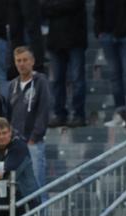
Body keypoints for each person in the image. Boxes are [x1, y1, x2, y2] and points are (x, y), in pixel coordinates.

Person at [7, 47, 51, 192]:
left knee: (37, 185)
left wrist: (34, 137)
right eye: (18, 61)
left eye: (25, 60)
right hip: (15, 143)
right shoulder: (12, 85)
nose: (21, 64)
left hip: (33, 143)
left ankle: (42, 209)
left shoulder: (41, 81)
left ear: (32, 61)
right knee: (18, 186)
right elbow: (8, 114)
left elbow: (44, 111)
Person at [95, 0, 126, 125]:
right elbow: (98, 10)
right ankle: (120, 113)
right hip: (107, 35)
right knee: (115, 77)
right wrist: (99, 31)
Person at [0, 116, 38, 213]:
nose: (1, 137)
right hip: (2, 202)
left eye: (4, 133)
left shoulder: (20, 146)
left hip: (25, 200)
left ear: (10, 132)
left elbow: (8, 172)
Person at [43, 0, 89, 128]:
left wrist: (54, 7)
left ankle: (78, 114)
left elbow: (73, 4)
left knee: (77, 79)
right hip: (55, 40)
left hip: (75, 39)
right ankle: (59, 114)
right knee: (56, 80)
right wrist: (59, 7)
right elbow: (43, 7)